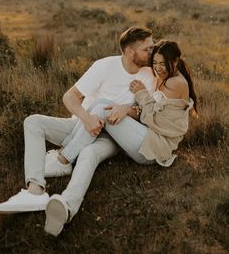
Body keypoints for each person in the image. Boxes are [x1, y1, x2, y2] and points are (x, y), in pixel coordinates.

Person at [0, 27, 156, 231]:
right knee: (33, 122)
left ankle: (67, 203)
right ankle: (35, 190)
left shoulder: (150, 74)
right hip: (81, 125)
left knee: (89, 153)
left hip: (112, 137)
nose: (153, 52)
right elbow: (69, 97)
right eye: (148, 49)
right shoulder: (104, 66)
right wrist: (87, 119)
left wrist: (127, 109)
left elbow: (147, 110)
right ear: (131, 52)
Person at [42, 40, 197, 236]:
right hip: (140, 139)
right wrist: (128, 108)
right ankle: (67, 205)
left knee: (101, 107)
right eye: (155, 63)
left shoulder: (176, 82)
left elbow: (156, 120)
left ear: (175, 61)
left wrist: (139, 94)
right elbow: (148, 112)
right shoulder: (163, 78)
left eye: (163, 64)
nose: (158, 68)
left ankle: (64, 158)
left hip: (153, 147)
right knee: (89, 151)